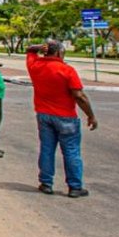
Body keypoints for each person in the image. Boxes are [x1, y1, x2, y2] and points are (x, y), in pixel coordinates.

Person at [26, 40, 98, 197]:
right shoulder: (67, 70)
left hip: (43, 115)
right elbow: (79, 96)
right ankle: (74, 186)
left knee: (47, 149)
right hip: (66, 117)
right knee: (71, 151)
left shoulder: (35, 66)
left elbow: (29, 51)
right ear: (58, 53)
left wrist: (38, 48)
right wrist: (91, 116)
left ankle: (46, 183)